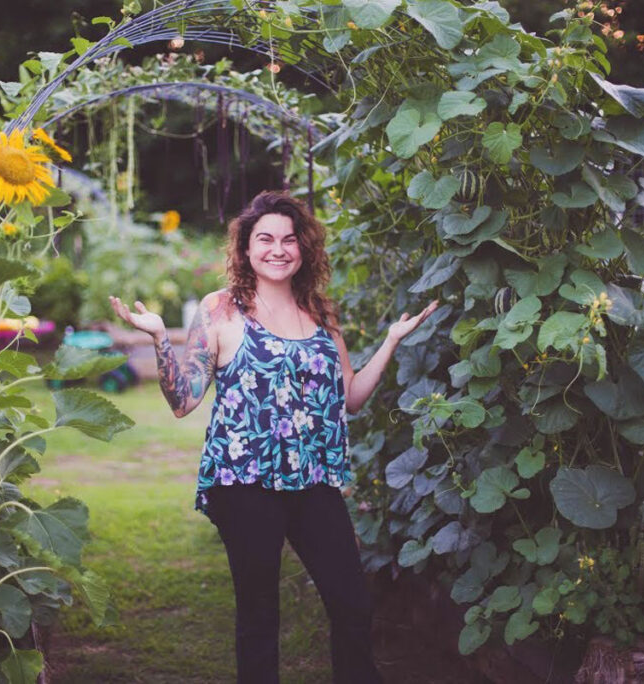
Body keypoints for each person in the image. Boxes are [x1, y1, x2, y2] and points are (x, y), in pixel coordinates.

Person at [109, 190, 437, 684]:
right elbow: (183, 402)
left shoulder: (320, 312)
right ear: (245, 248)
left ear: (303, 248)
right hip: (244, 481)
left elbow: (350, 397)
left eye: (289, 239)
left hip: (313, 479)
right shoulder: (221, 310)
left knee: (351, 604)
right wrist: (160, 338)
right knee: (260, 615)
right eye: (265, 239)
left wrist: (391, 341)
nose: (277, 249)